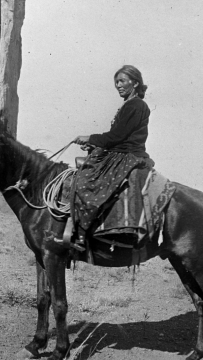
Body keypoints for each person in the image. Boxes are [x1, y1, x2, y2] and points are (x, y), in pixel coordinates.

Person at [72, 65, 154, 245]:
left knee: (88, 181)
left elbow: (117, 136)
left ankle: (84, 232)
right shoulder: (130, 104)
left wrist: (90, 138)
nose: (118, 85)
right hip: (121, 151)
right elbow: (117, 137)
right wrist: (94, 144)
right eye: (116, 82)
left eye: (122, 81)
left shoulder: (136, 105)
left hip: (127, 155)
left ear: (135, 83)